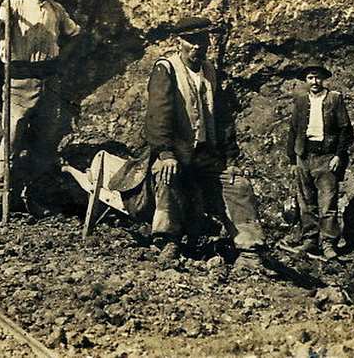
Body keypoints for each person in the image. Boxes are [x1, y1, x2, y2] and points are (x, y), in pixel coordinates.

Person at [108, 16, 266, 263]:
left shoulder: (211, 72)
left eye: (202, 40)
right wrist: (165, 153)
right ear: (178, 42)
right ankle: (167, 240)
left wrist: (231, 158)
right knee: (167, 175)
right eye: (191, 41)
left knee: (238, 185)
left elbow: (223, 118)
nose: (197, 46)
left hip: (206, 154)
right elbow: (158, 114)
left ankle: (249, 250)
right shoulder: (166, 69)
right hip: (177, 152)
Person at [0, 0, 81, 220]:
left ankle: (34, 196)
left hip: (49, 82)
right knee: (12, 139)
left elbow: (73, 34)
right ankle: (1, 196)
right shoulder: (13, 4)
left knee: (45, 143)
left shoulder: (56, 9)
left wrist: (59, 59)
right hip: (19, 82)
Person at [283, 64, 354, 260]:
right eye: (310, 78)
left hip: (326, 157)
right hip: (304, 156)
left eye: (318, 78)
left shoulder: (334, 99)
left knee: (327, 202)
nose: (314, 82)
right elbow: (293, 130)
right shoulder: (300, 101)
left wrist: (338, 155)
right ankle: (310, 240)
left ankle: (329, 243)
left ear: (323, 79)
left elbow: (345, 130)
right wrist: (292, 159)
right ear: (305, 81)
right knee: (306, 202)